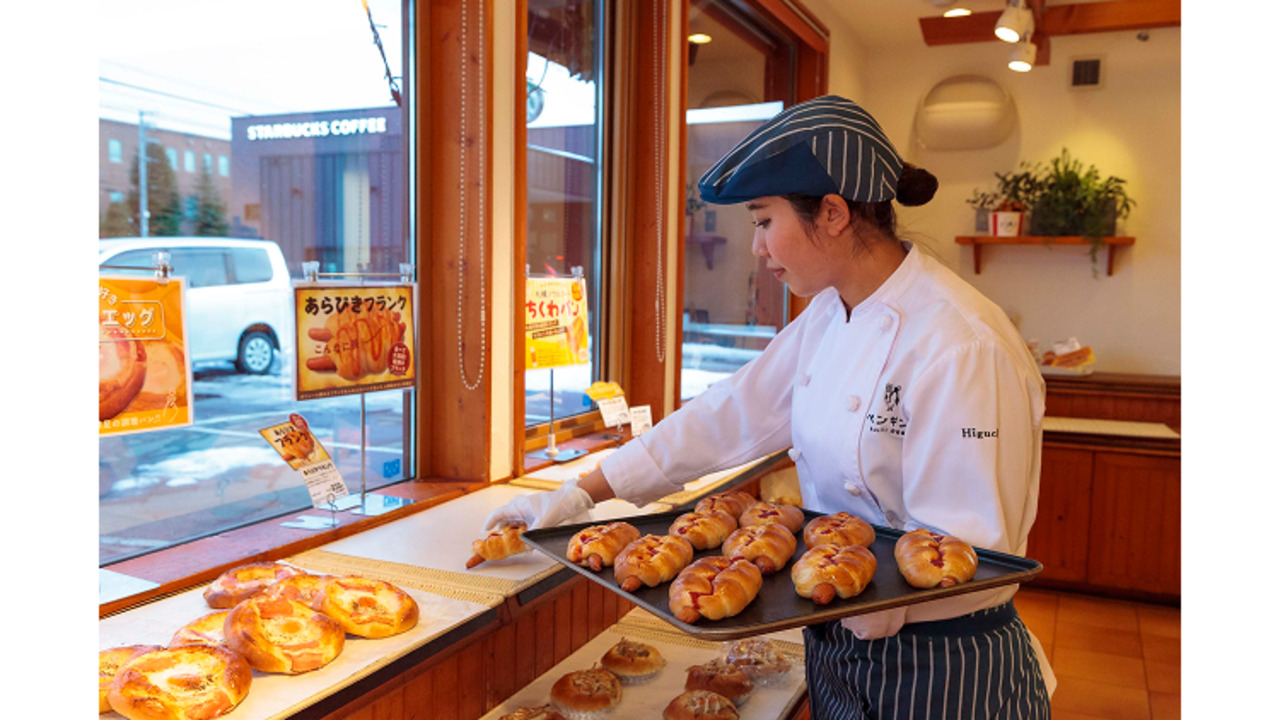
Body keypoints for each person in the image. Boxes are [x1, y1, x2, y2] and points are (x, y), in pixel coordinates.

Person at [485, 95, 1054, 719]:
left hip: (946, 665)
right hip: (838, 644)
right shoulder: (832, 314)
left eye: (762, 220)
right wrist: (579, 495)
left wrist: (818, 590)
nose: (756, 246)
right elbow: (729, 414)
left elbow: (969, 552)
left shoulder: (962, 342)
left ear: (833, 213)